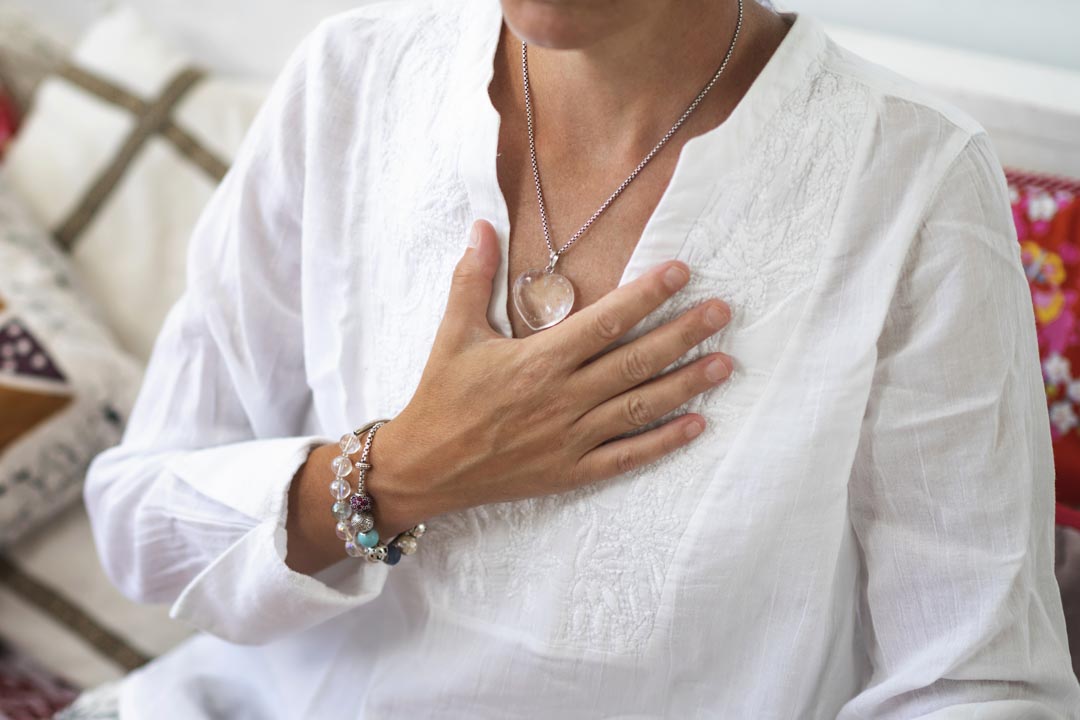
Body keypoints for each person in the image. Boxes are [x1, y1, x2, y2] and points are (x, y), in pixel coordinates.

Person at [60, 0, 1080, 717]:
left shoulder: (910, 181)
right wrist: (401, 471)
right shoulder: (352, 81)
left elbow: (974, 683)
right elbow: (145, 528)